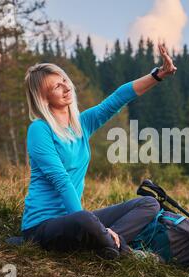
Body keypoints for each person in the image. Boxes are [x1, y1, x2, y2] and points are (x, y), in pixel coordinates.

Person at [21, 44, 177, 259]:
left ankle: (106, 244)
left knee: (149, 203)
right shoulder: (39, 129)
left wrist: (158, 75)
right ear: (43, 97)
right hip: (42, 227)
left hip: (76, 220)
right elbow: (61, 181)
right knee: (85, 219)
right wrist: (87, 221)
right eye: (56, 86)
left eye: (64, 80)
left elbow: (117, 98)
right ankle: (126, 253)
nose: (66, 88)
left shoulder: (81, 125)